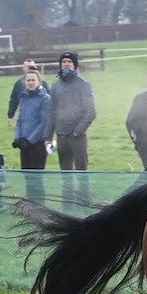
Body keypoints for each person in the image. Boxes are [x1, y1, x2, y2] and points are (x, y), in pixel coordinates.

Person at [49, 51, 97, 199]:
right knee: (65, 171)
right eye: (64, 61)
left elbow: (91, 111)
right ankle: (67, 202)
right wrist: (48, 136)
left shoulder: (83, 84)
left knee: (82, 170)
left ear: (74, 65)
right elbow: (51, 112)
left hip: (77, 136)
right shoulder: (56, 86)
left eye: (69, 62)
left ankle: (83, 201)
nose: (66, 64)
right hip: (61, 135)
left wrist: (78, 130)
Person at [10, 64, 54, 201]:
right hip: (24, 143)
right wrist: (18, 138)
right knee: (27, 175)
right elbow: (20, 119)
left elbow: (43, 122)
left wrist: (30, 140)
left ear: (39, 81)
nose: (30, 82)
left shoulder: (45, 98)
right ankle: (30, 205)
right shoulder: (23, 97)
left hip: (38, 143)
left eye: (33, 80)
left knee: (36, 177)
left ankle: (40, 205)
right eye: (28, 80)